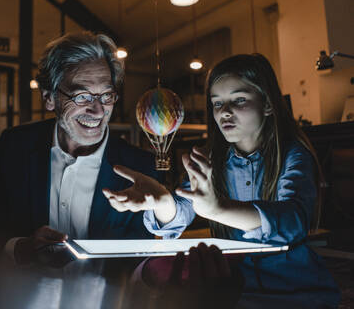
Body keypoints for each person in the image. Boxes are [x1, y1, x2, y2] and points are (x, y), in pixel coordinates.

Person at [103, 54, 340, 307]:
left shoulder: (294, 154)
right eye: (217, 103)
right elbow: (183, 210)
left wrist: (217, 209)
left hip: (298, 290)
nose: (224, 112)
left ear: (268, 104)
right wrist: (162, 202)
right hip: (235, 290)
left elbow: (294, 220)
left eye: (238, 100)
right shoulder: (210, 158)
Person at [0, 32, 169, 266]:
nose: (98, 111)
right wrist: (21, 248)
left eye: (106, 95)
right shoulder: (16, 147)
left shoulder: (140, 167)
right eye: (82, 96)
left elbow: (143, 261)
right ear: (49, 98)